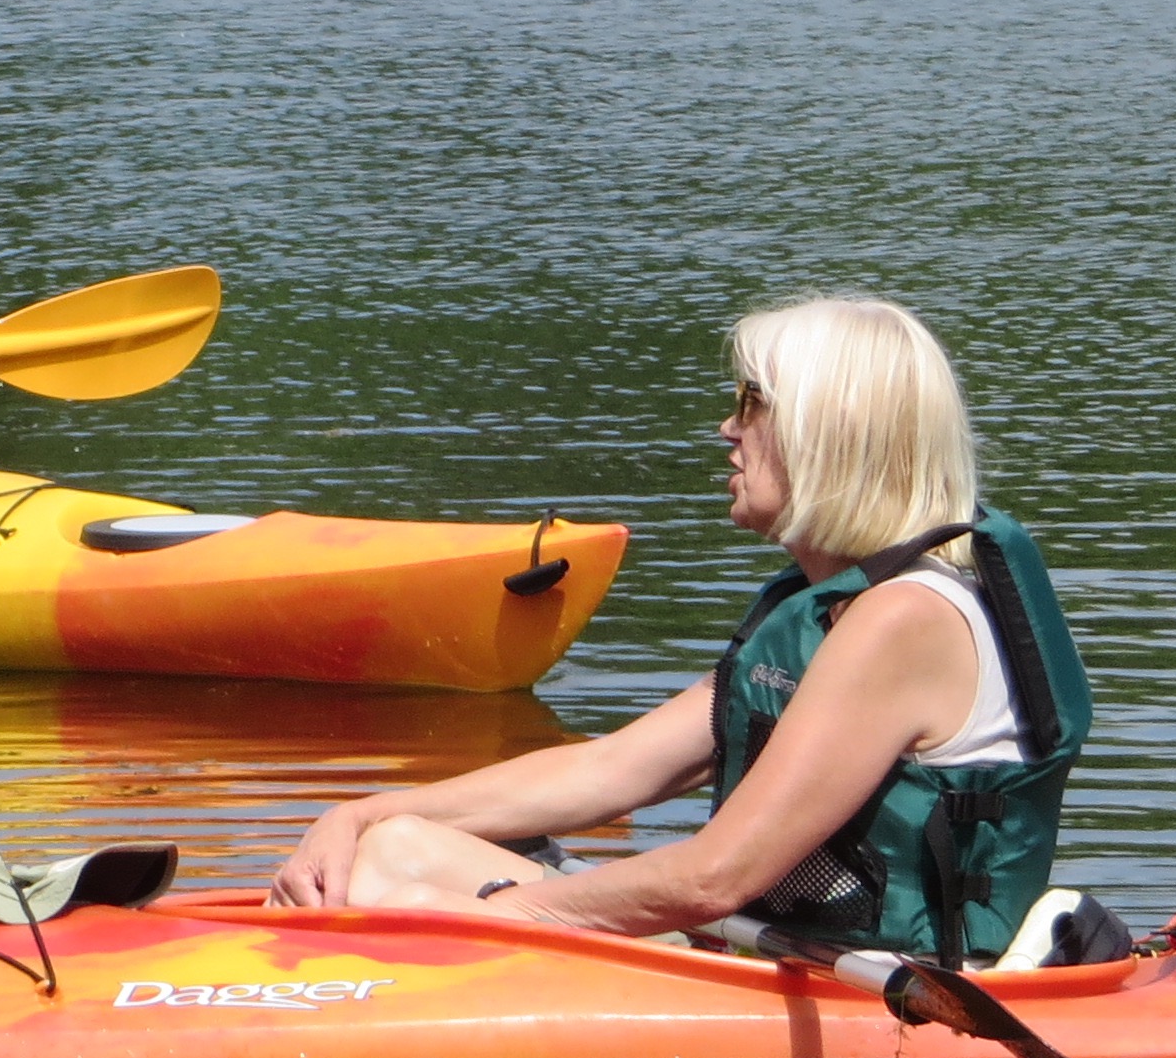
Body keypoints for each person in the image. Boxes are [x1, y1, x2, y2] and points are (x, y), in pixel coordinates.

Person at [270, 296, 1095, 970]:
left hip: (875, 995)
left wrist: (500, 915)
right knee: (398, 850)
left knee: (397, 896)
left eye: (751, 405)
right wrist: (363, 812)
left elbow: (715, 876)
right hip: (775, 961)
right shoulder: (815, 609)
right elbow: (612, 769)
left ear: (826, 432)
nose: (727, 431)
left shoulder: (905, 618)